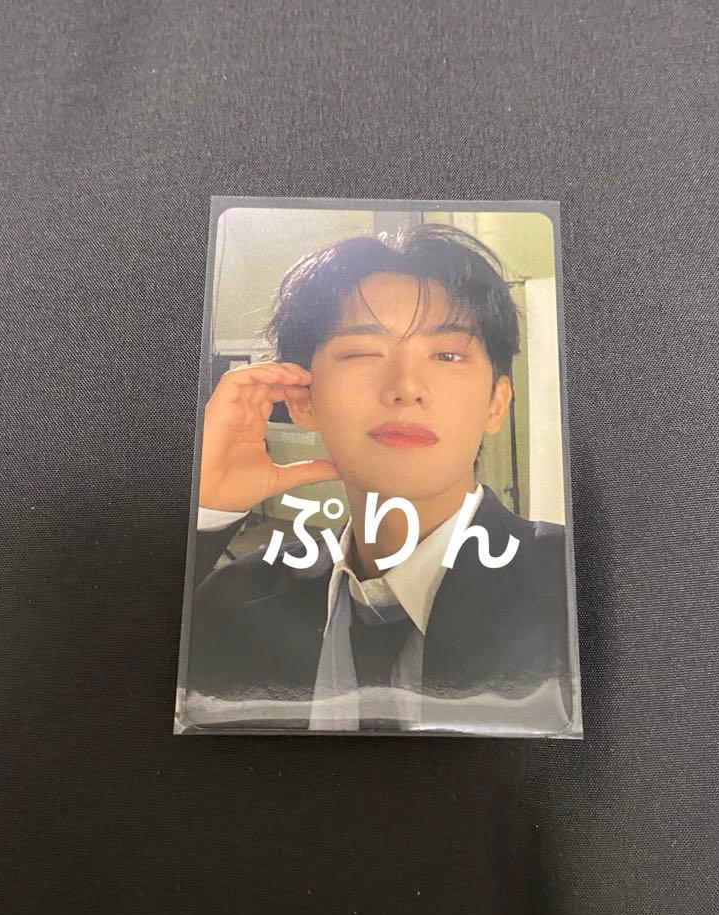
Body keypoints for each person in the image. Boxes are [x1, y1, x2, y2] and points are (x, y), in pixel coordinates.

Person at [182, 223, 574, 732]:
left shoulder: (576, 589)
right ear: (301, 399)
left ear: (496, 403)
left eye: (447, 355)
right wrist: (207, 511)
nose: (406, 388)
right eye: (363, 352)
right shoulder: (232, 600)